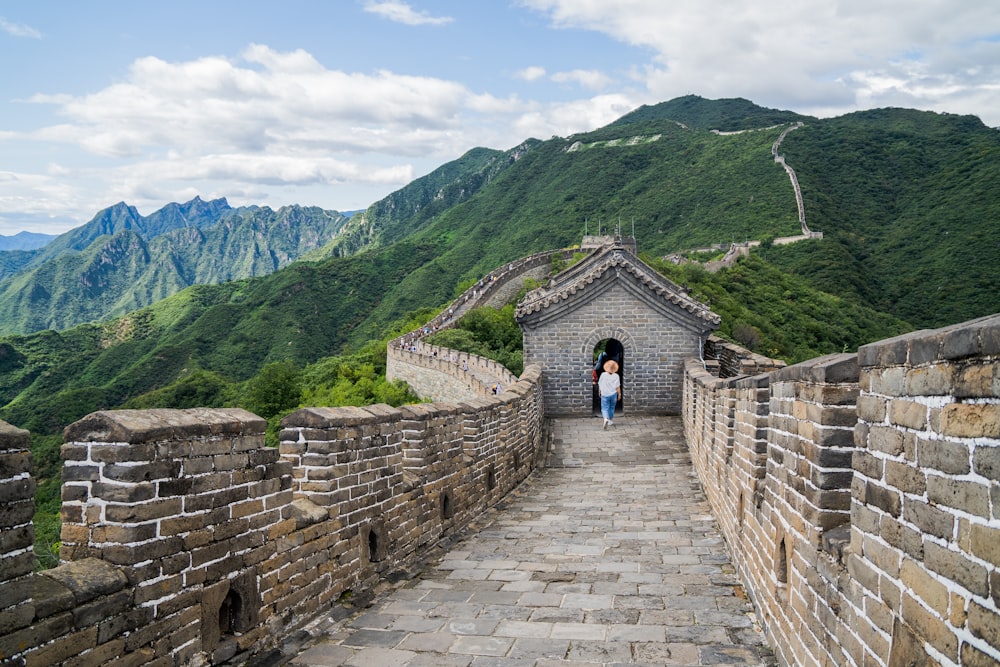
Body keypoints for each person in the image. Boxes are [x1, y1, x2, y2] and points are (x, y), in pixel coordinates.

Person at [598, 359, 621, 429]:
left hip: (604, 394)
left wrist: (599, 391)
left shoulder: (603, 375)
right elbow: (617, 387)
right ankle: (610, 420)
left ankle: (605, 419)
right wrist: (619, 394)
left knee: (604, 408)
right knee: (612, 407)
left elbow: (600, 383)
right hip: (613, 394)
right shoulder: (616, 376)